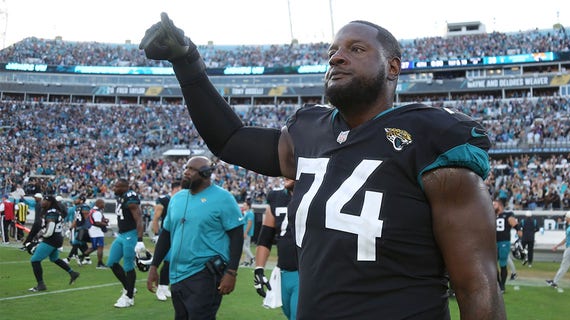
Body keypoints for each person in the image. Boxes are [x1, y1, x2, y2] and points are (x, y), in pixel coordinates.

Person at [141, 14, 504, 319]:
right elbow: (230, 140)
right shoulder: (309, 132)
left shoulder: (430, 136)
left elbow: (476, 284)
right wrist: (188, 65)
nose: (336, 58)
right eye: (332, 52)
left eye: (355, 49)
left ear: (393, 67)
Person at [146, 156, 244, 319]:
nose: (186, 172)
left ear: (205, 174)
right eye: (186, 168)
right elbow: (166, 234)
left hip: (205, 273)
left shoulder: (224, 198)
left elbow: (237, 236)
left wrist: (231, 272)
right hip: (177, 274)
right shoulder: (177, 198)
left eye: (192, 169)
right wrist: (154, 266)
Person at [253, 177, 298, 320]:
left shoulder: (315, 196)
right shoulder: (276, 197)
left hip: (306, 272)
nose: (285, 174)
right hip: (283, 272)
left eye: (291, 168)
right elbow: (266, 236)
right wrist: (259, 268)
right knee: (289, 314)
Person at [28, 195, 80, 292]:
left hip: (51, 239)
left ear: (50, 202)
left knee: (35, 260)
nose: (42, 202)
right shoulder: (53, 211)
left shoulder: (52, 213)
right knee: (54, 259)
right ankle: (72, 273)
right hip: (56, 238)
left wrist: (40, 237)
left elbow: (49, 231)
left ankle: (41, 284)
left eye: (45, 200)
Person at [108, 178, 146, 308]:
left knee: (128, 266)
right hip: (121, 235)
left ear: (125, 187)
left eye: (117, 186)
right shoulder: (121, 197)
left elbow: (139, 218)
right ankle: (129, 288)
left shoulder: (130, 197)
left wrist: (140, 240)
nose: (114, 188)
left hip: (131, 234)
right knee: (112, 263)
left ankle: (129, 298)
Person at [151, 180, 181, 301]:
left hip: (178, 234)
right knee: (167, 262)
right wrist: (157, 234)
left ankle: (164, 286)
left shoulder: (182, 200)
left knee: (173, 262)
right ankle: (160, 288)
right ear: (175, 189)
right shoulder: (164, 200)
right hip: (166, 234)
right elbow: (156, 218)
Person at [494, 200, 522, 292]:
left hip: (504, 242)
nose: (493, 206)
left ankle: (502, 286)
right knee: (493, 265)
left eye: (495, 204)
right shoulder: (492, 215)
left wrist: (519, 230)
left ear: (500, 206)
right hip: (494, 242)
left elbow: (515, 224)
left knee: (502, 263)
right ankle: (498, 284)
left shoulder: (507, 214)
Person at [80, 199, 108, 269]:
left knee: (94, 247)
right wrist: (105, 224)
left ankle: (82, 256)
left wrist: (104, 220)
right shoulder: (97, 212)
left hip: (93, 230)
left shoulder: (93, 210)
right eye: (103, 203)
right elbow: (97, 222)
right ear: (99, 204)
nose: (104, 205)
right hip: (97, 231)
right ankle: (99, 264)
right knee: (100, 247)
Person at [63, 195, 91, 266]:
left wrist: (86, 227)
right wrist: (70, 229)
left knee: (76, 243)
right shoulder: (77, 208)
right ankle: (87, 259)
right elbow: (76, 220)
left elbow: (87, 217)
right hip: (79, 227)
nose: (75, 200)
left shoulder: (84, 207)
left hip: (83, 228)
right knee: (81, 244)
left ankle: (68, 259)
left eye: (77, 199)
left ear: (81, 200)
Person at [241, 199, 255, 267]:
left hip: (247, 232)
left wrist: (245, 232)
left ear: (248, 206)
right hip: (246, 231)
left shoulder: (250, 213)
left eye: (245, 205)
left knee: (244, 247)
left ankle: (253, 258)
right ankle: (246, 262)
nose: (243, 206)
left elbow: (249, 223)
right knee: (247, 247)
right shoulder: (248, 213)